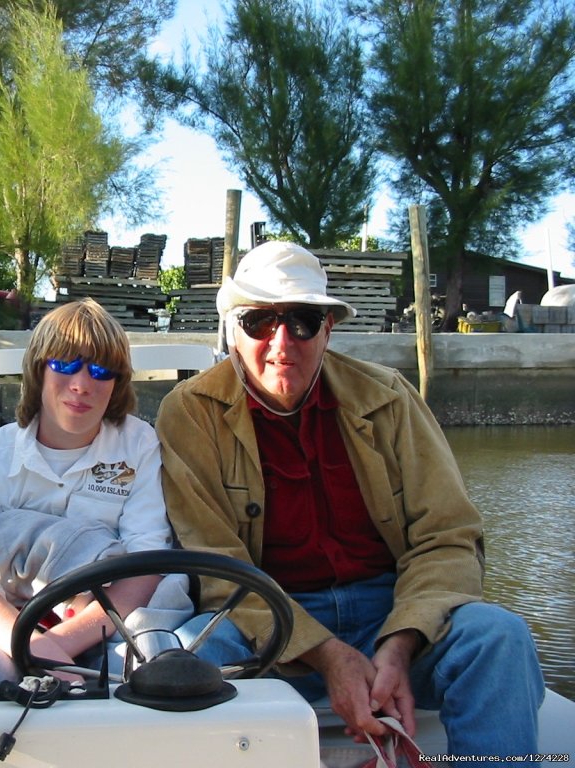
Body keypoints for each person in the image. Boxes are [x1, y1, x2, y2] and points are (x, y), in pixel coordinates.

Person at [155, 241, 544, 757]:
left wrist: (400, 644)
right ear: (231, 329)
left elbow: (448, 537)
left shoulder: (390, 397)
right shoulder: (190, 412)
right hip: (269, 624)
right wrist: (326, 654)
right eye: (258, 323)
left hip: (393, 607)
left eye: (302, 322)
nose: (281, 343)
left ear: (329, 328)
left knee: (498, 637)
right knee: (190, 657)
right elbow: (217, 567)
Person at [0, 298, 190, 683]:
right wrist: (37, 650)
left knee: (149, 668)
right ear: (38, 370)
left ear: (118, 383)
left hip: (108, 619)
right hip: (4, 625)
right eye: (64, 364)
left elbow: (147, 566)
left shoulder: (140, 445)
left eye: (100, 370)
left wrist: (56, 648)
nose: (81, 384)